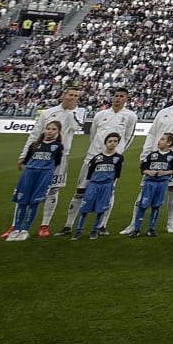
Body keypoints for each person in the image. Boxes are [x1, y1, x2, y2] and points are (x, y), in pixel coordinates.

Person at [56, 87, 137, 237]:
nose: (118, 98)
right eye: (116, 96)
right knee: (80, 190)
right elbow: (93, 134)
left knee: (108, 192)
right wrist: (97, 151)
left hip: (111, 162)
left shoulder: (130, 116)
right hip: (92, 157)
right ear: (112, 98)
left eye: (121, 96)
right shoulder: (101, 114)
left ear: (126, 99)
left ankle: (102, 225)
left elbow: (129, 137)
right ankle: (68, 225)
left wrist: (116, 155)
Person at [120, 84, 173, 234]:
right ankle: (133, 223)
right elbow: (152, 134)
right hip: (156, 156)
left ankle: (170, 223)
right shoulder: (163, 112)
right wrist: (144, 155)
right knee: (145, 188)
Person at [3, 86, 83, 239]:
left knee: (53, 190)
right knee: (26, 190)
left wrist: (72, 111)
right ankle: (15, 225)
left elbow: (77, 127)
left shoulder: (79, 113)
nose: (73, 98)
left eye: (76, 96)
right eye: (70, 95)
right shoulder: (48, 112)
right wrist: (24, 154)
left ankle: (44, 225)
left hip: (60, 156)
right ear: (63, 95)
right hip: (38, 155)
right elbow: (35, 135)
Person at [5, 121, 63, 241]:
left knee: (34, 202)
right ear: (44, 130)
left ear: (58, 132)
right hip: (29, 174)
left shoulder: (58, 146)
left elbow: (57, 162)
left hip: (44, 176)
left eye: (53, 129)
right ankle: (16, 229)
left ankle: (25, 229)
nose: (50, 131)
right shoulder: (34, 145)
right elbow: (26, 160)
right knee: (22, 201)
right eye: (48, 129)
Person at [71, 133, 124, 240]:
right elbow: (90, 173)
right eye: (110, 141)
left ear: (118, 143)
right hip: (94, 184)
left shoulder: (118, 158)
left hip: (107, 185)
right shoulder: (97, 158)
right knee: (85, 208)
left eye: (115, 141)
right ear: (105, 143)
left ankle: (94, 230)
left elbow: (117, 173)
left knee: (101, 208)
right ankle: (78, 230)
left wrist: (110, 184)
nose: (112, 143)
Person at [130, 133, 173, 237]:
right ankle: (137, 228)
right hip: (149, 183)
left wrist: (164, 173)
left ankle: (151, 228)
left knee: (156, 206)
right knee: (143, 205)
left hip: (162, 183)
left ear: (169, 143)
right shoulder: (152, 155)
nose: (159, 141)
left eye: (162, 139)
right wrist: (148, 172)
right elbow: (143, 168)